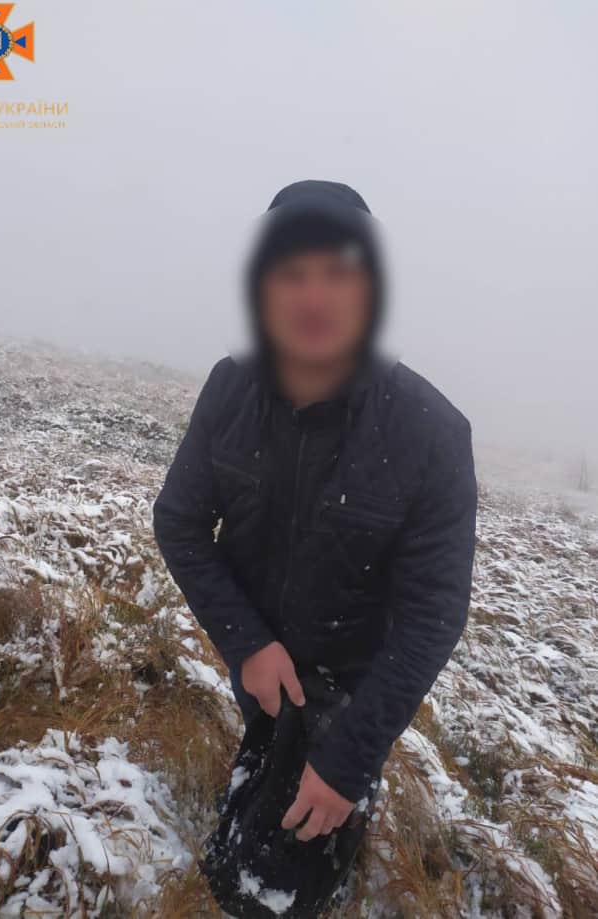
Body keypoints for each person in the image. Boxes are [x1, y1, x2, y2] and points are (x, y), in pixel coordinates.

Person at [153, 179, 477, 843]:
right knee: (245, 829)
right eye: (292, 274)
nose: (314, 298)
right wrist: (247, 643)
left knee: (288, 872)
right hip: (256, 666)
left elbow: (432, 613)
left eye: (338, 273)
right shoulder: (229, 388)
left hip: (353, 692)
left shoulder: (432, 432)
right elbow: (179, 521)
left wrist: (349, 759)